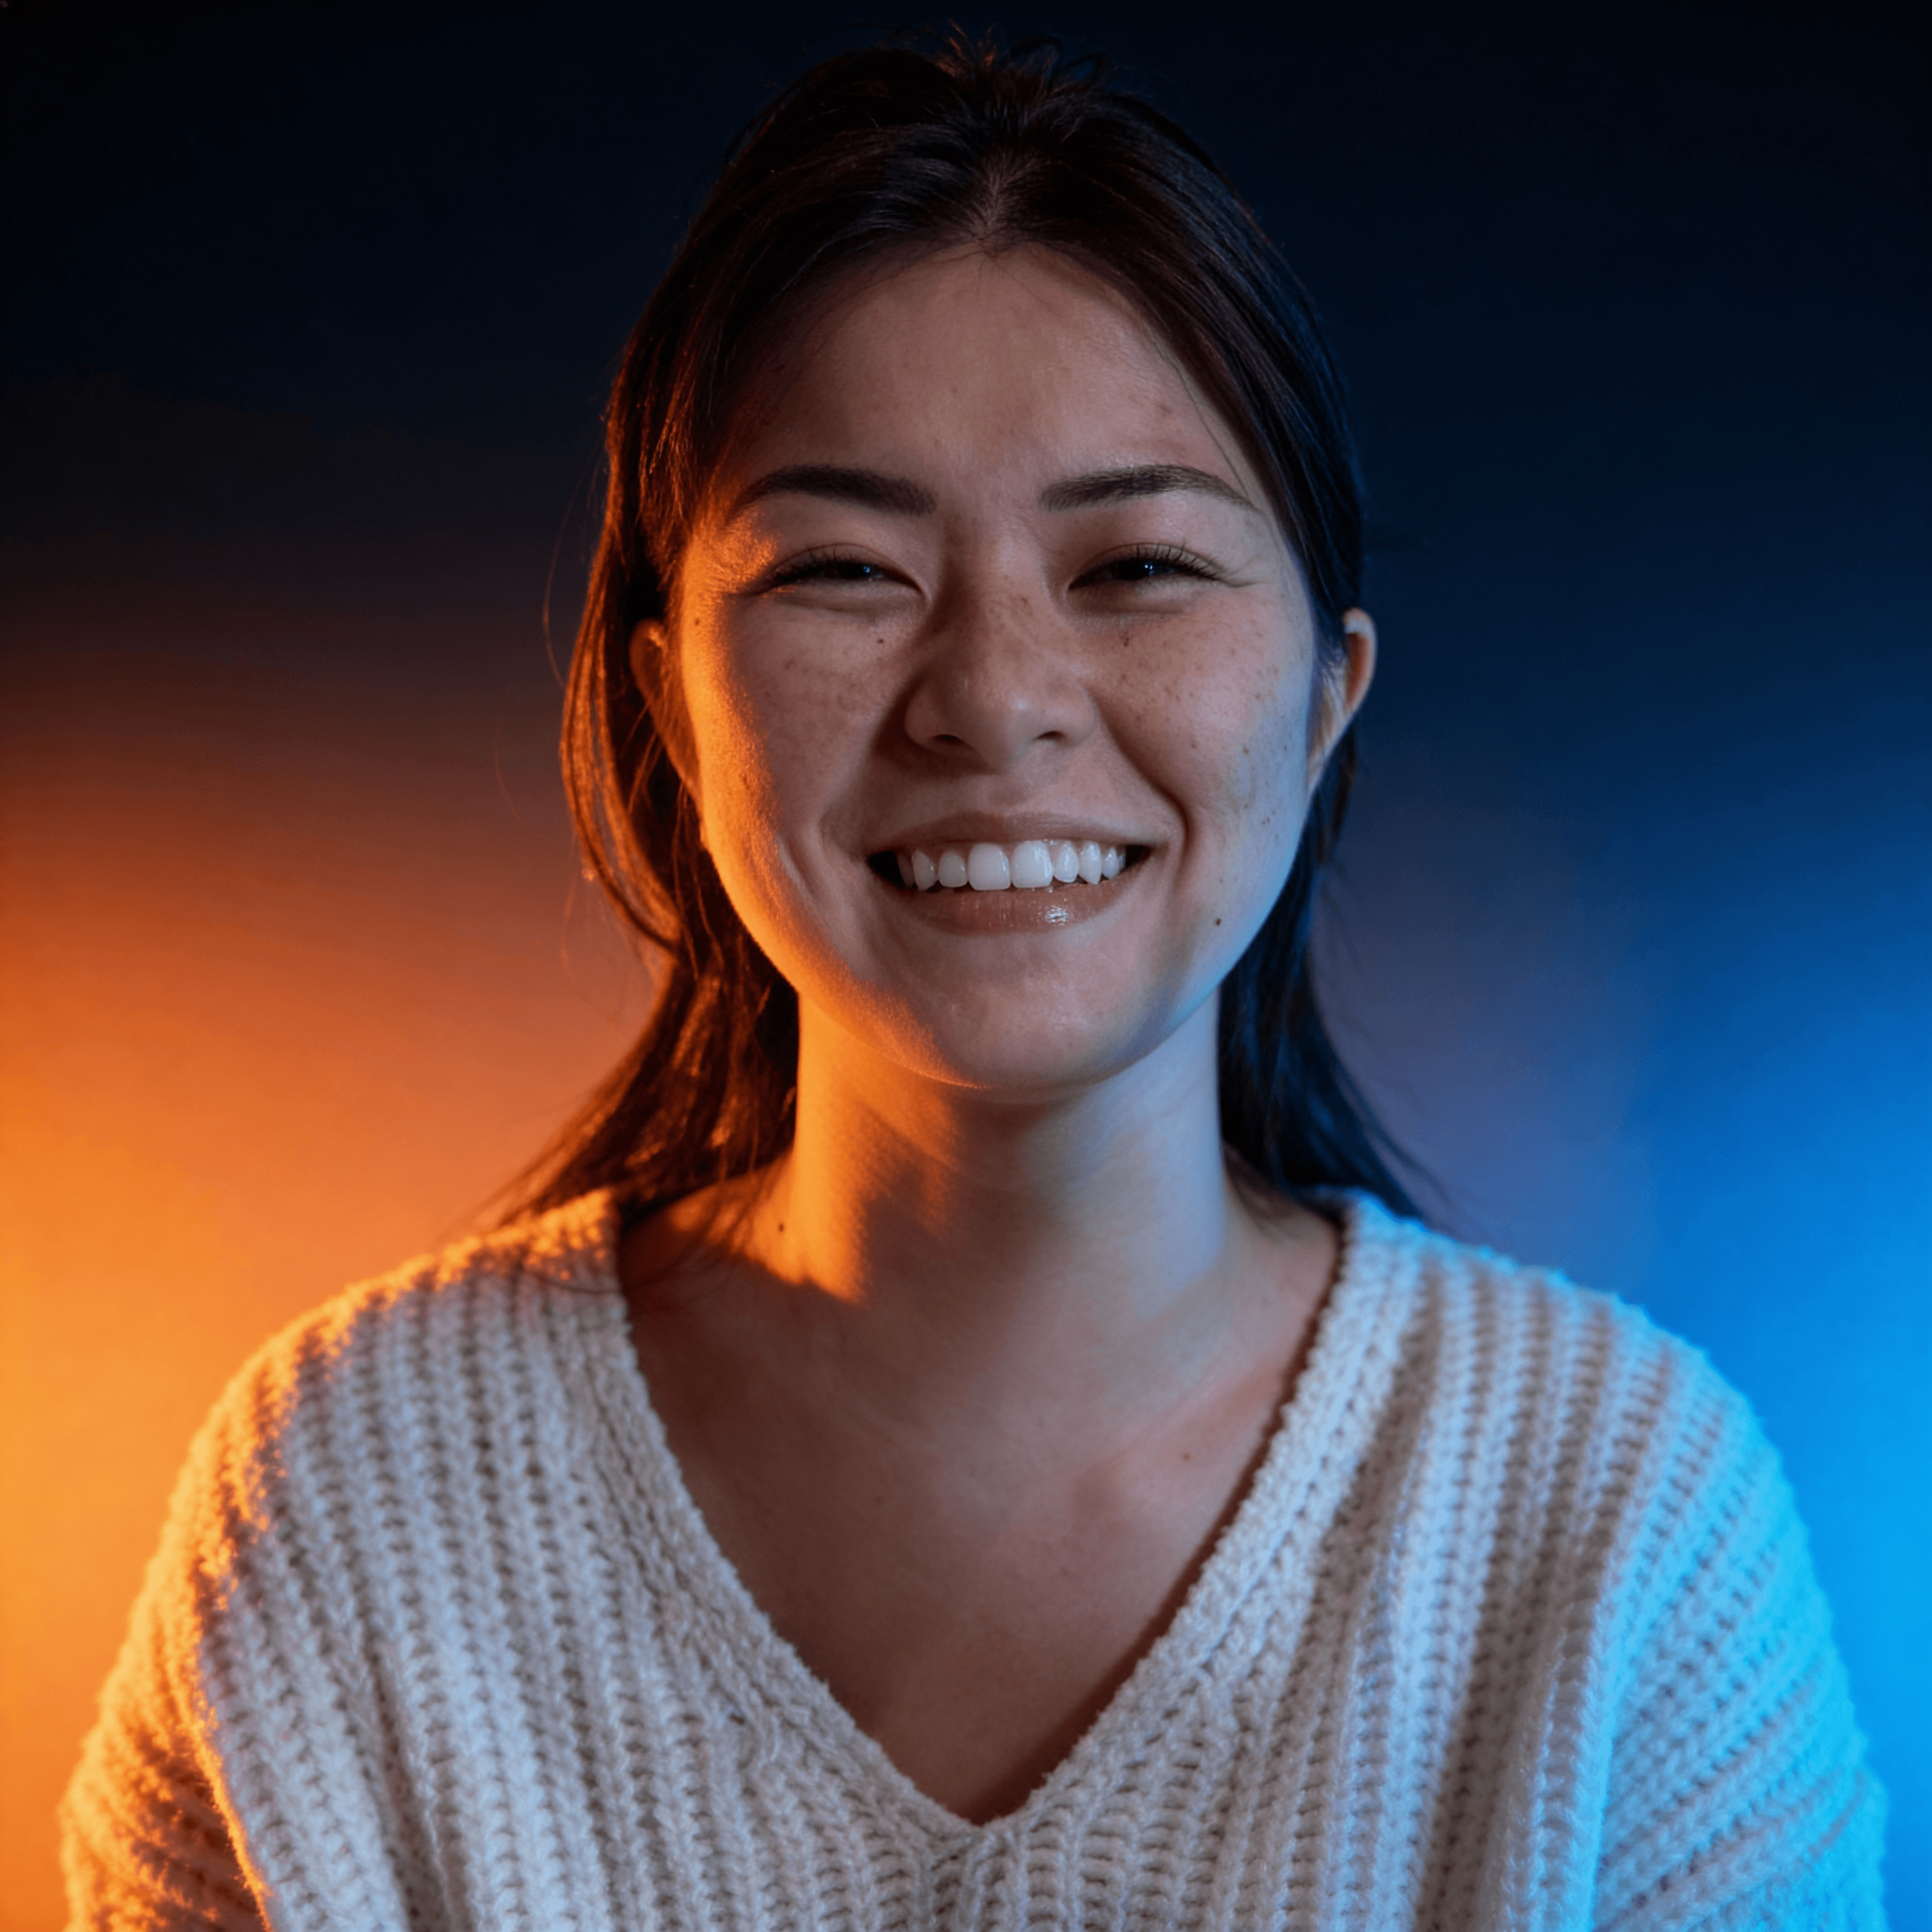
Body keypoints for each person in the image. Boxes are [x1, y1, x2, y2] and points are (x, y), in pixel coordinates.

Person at [60, 35, 1885, 1931]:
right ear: (671, 705)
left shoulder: (1618, 1518)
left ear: (1325, 697)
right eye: (846, 570)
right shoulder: (347, 1493)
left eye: (1138, 565)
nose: (994, 700)